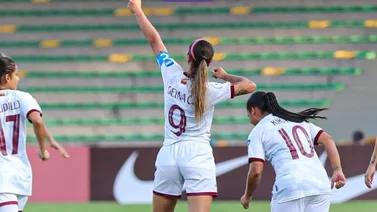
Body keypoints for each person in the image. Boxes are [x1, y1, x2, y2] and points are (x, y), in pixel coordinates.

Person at [127, 0, 257, 211]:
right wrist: (225, 76)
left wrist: (138, 11)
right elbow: (250, 85)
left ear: (188, 57)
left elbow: (154, 40)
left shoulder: (171, 74)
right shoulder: (211, 89)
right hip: (197, 156)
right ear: (210, 63)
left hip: (169, 153)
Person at [240, 91, 346, 212]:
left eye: (248, 114)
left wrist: (247, 196)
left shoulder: (258, 131)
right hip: (319, 186)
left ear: (253, 110)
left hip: (290, 188)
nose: (249, 118)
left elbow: (256, 171)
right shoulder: (296, 120)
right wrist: (337, 170)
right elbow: (328, 139)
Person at [0, 53, 69, 212]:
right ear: (6, 78)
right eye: (16, 75)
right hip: (20, 176)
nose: (18, 79)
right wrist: (43, 148)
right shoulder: (23, 97)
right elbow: (37, 120)